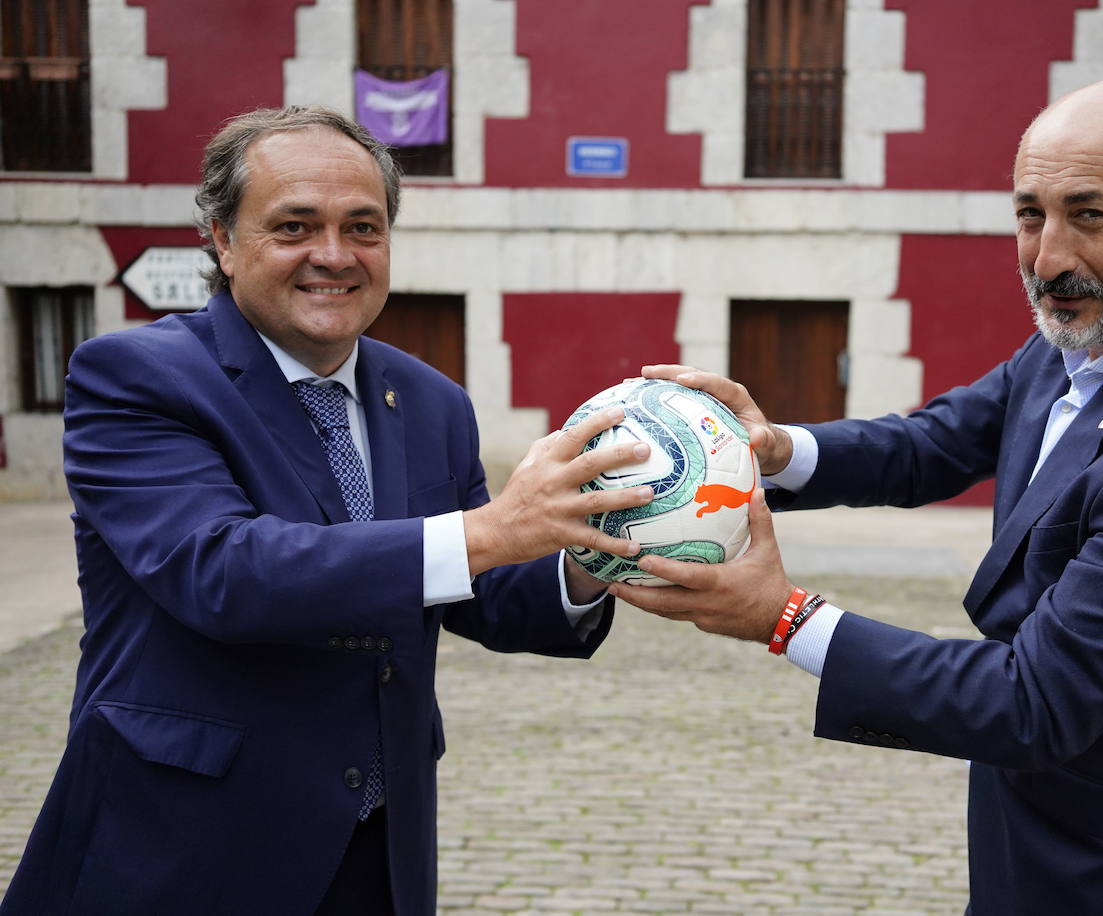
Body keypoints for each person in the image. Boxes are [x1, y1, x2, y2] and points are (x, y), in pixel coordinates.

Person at [619, 77, 1103, 914]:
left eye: (1088, 215)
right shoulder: (1099, 336)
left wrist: (786, 617)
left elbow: (1035, 699)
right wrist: (763, 451)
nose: (1047, 259)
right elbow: (935, 442)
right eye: (1030, 215)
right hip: (1024, 850)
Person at [0, 107, 654, 916]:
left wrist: (587, 554)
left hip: (377, 848)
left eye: (363, 227)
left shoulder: (432, 401)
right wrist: (491, 529)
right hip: (183, 846)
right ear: (223, 240)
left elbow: (481, 590)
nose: (334, 256)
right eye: (294, 226)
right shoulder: (133, 377)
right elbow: (224, 571)